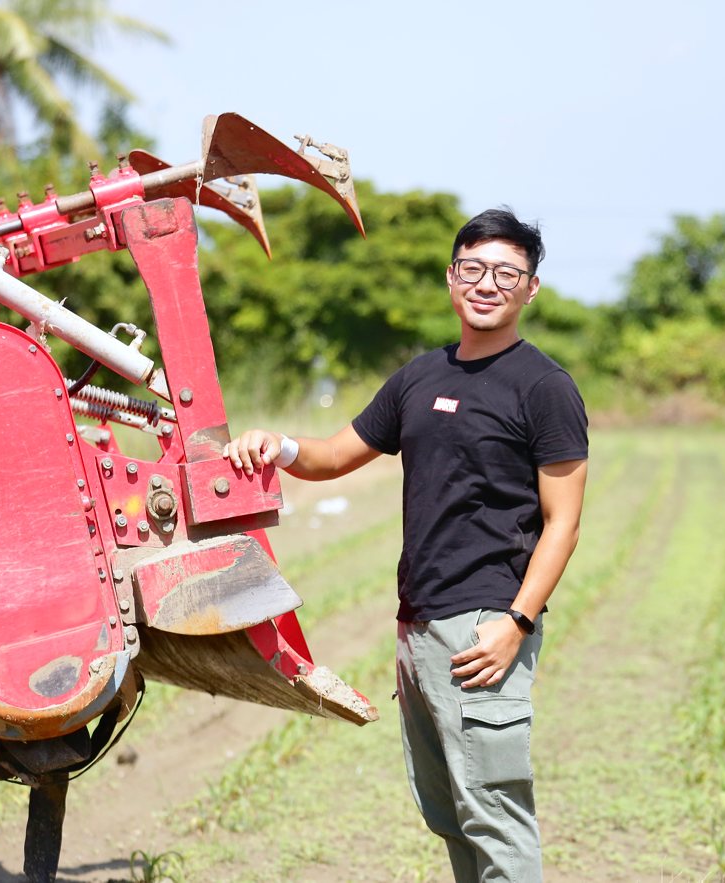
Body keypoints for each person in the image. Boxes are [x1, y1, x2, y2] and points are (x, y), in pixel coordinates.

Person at [223, 208, 588, 882]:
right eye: (473, 268)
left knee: (495, 813)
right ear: (452, 278)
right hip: (418, 625)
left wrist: (516, 623)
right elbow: (334, 455)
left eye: (506, 273)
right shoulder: (422, 376)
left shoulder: (544, 388)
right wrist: (278, 446)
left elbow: (562, 521)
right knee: (450, 809)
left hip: (484, 625)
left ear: (530, 288)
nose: (487, 284)